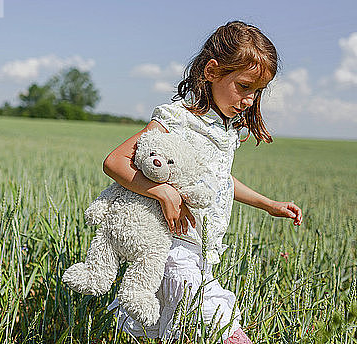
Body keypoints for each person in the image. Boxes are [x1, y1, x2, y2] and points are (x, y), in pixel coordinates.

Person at [103, 21, 303, 343]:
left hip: (202, 254)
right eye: (244, 86)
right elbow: (115, 162)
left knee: (187, 332)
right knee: (219, 326)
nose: (251, 99)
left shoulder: (224, 129)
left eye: (258, 91)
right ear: (212, 71)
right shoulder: (179, 119)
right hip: (172, 250)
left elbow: (220, 181)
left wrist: (268, 205)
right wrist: (163, 191)